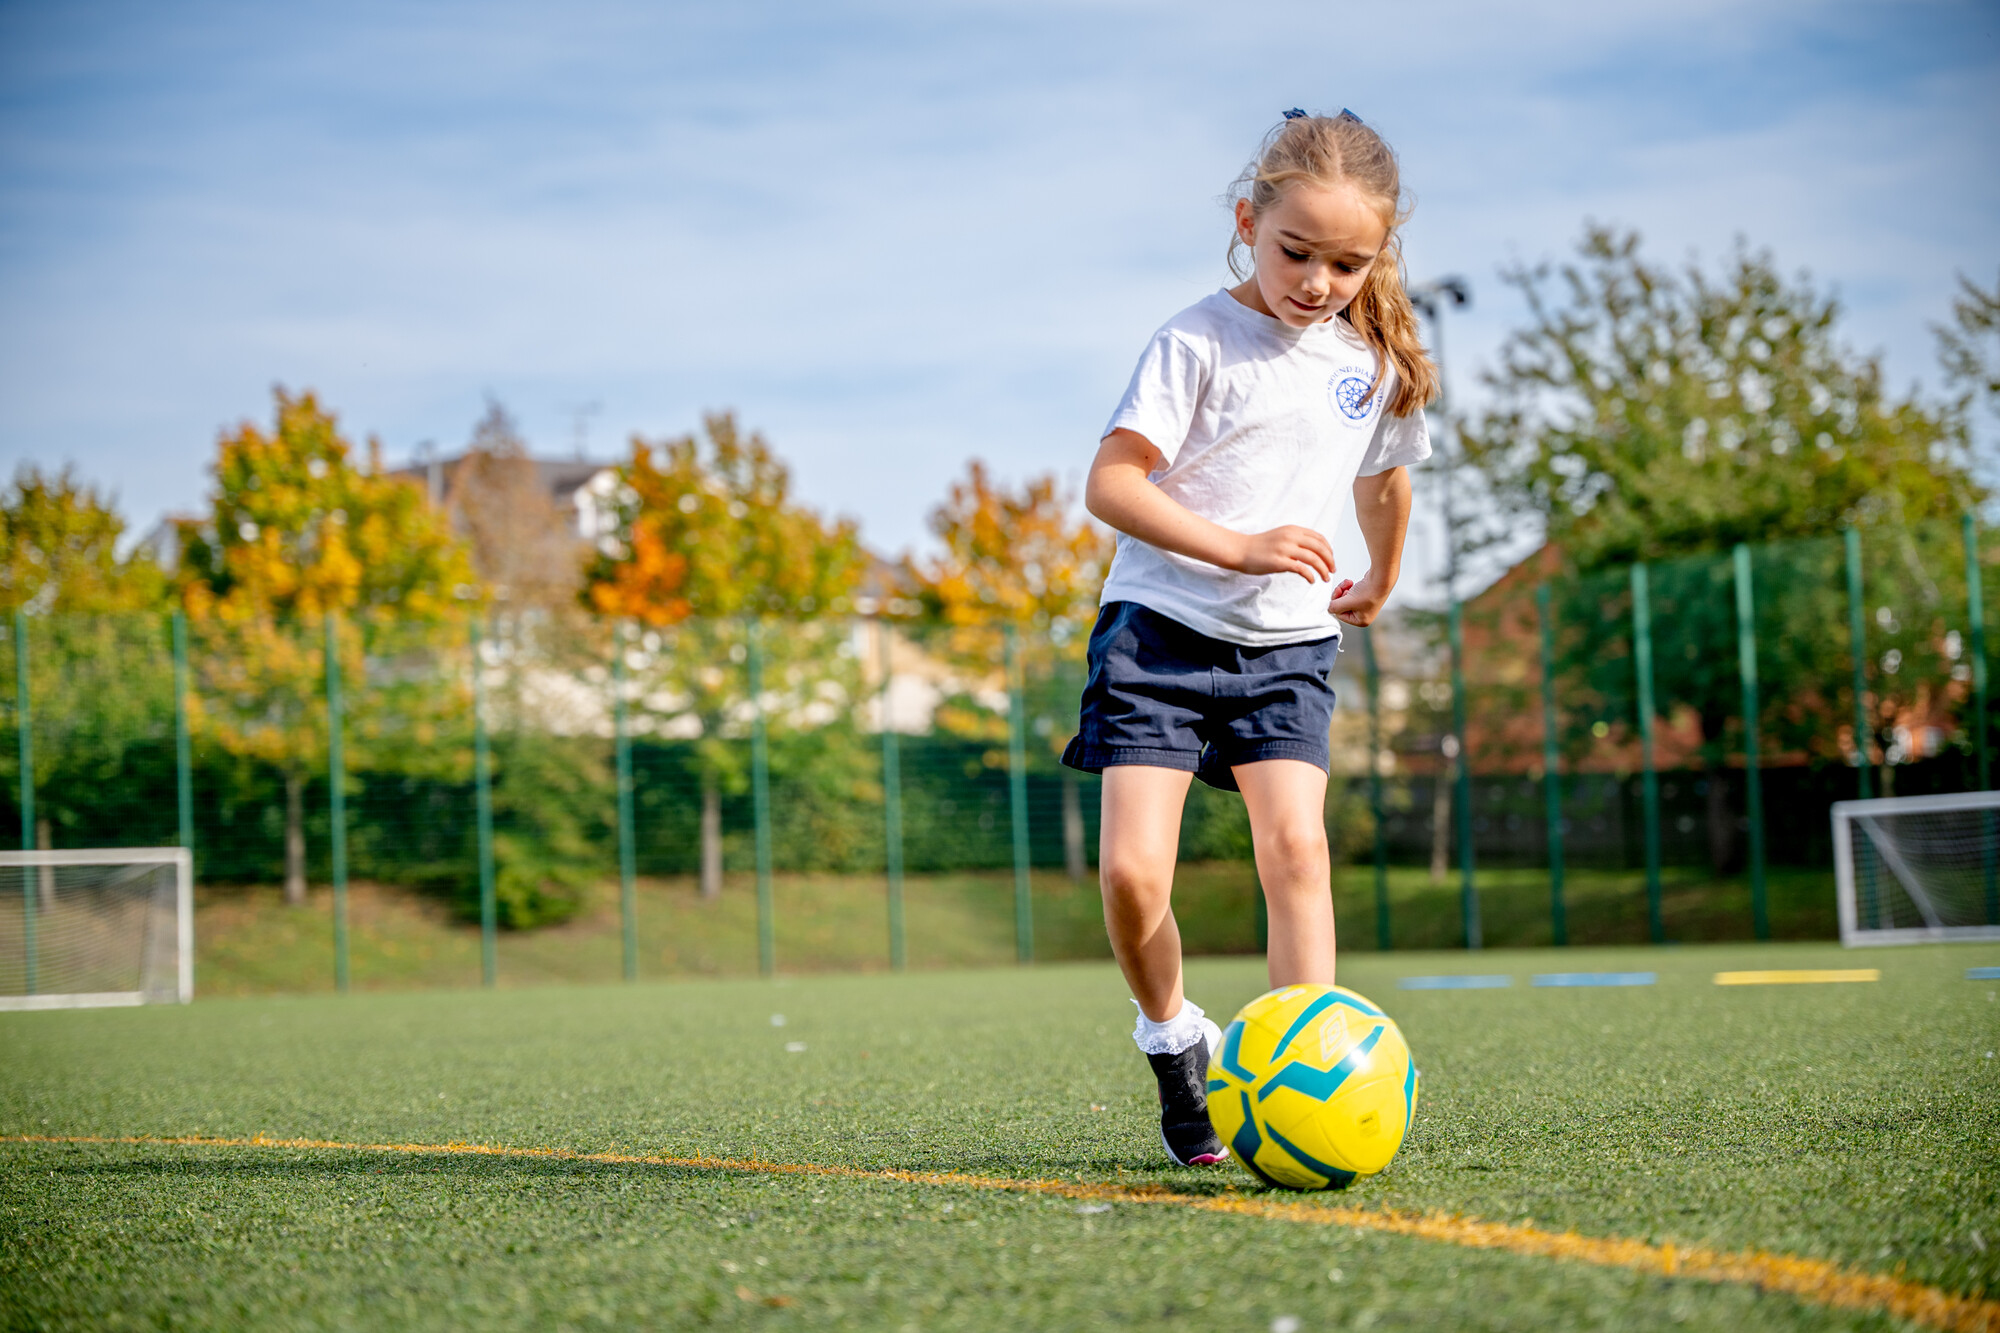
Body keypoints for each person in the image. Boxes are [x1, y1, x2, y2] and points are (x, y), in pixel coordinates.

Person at [1063, 109, 1438, 1167]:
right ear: (1245, 221)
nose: (1317, 280)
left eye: (1346, 262)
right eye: (1294, 251)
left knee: (1296, 850)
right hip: (1159, 637)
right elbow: (1110, 484)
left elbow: (1384, 477)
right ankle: (1174, 1034)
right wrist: (1234, 547)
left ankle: (1300, 1080)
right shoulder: (1194, 340)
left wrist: (1382, 577)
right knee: (1134, 876)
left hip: (1285, 647)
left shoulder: (1368, 357)